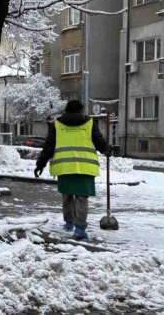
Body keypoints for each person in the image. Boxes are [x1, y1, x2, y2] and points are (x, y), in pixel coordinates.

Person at [34, 100, 110, 240]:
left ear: (66, 110)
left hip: (64, 166)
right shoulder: (90, 123)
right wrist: (107, 150)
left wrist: (40, 164)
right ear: (81, 110)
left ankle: (69, 222)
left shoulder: (56, 124)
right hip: (85, 167)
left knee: (67, 195)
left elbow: (48, 147)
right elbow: (99, 141)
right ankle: (79, 228)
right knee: (82, 198)